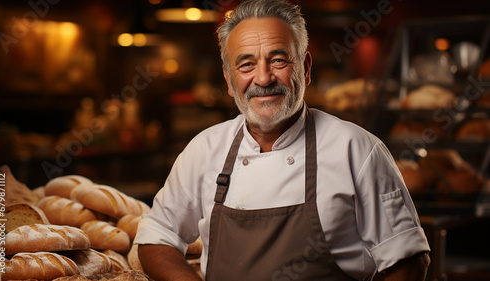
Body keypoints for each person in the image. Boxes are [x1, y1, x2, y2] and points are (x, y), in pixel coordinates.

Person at [135, 0, 431, 280]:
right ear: (228, 79)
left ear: (305, 68)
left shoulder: (357, 149)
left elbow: (407, 259)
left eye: (278, 60)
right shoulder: (205, 149)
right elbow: (156, 236)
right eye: (246, 65)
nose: (263, 79)